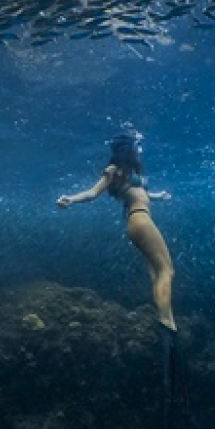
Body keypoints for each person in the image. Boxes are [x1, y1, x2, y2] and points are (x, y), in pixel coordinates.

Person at [57, 131, 177, 332]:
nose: (139, 150)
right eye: (136, 147)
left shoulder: (130, 172)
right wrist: (70, 199)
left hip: (136, 221)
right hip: (141, 220)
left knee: (156, 272)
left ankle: (166, 318)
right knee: (167, 270)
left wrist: (159, 195)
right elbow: (92, 193)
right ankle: (166, 320)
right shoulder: (113, 170)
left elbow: (142, 194)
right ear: (127, 149)